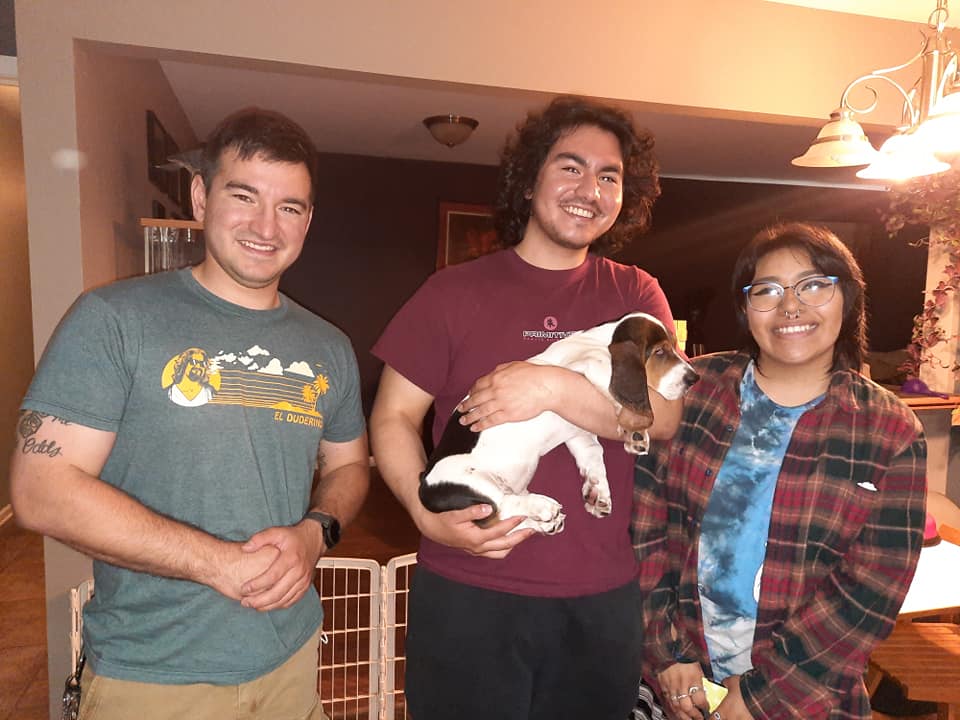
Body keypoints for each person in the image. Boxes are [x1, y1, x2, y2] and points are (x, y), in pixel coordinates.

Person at [10, 108, 369, 720]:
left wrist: (316, 533)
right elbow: (40, 491)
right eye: (244, 195)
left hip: (290, 657)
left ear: (308, 219)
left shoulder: (328, 345)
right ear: (201, 198)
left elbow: (350, 465)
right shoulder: (113, 319)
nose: (266, 226)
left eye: (290, 207)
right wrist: (219, 564)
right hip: (154, 674)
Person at [369, 95, 682, 720]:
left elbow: (664, 418)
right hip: (467, 588)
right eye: (570, 167)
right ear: (531, 176)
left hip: (597, 596)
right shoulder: (452, 292)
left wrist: (553, 388)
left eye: (609, 175)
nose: (589, 189)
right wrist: (424, 517)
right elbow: (392, 418)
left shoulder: (635, 292)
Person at [632, 223, 926, 720]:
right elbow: (643, 529)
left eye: (813, 285)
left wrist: (758, 698)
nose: (791, 306)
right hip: (682, 686)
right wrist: (667, 654)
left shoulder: (890, 431)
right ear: (746, 310)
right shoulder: (693, 392)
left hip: (806, 698)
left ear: (846, 299)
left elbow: (868, 594)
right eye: (767, 290)